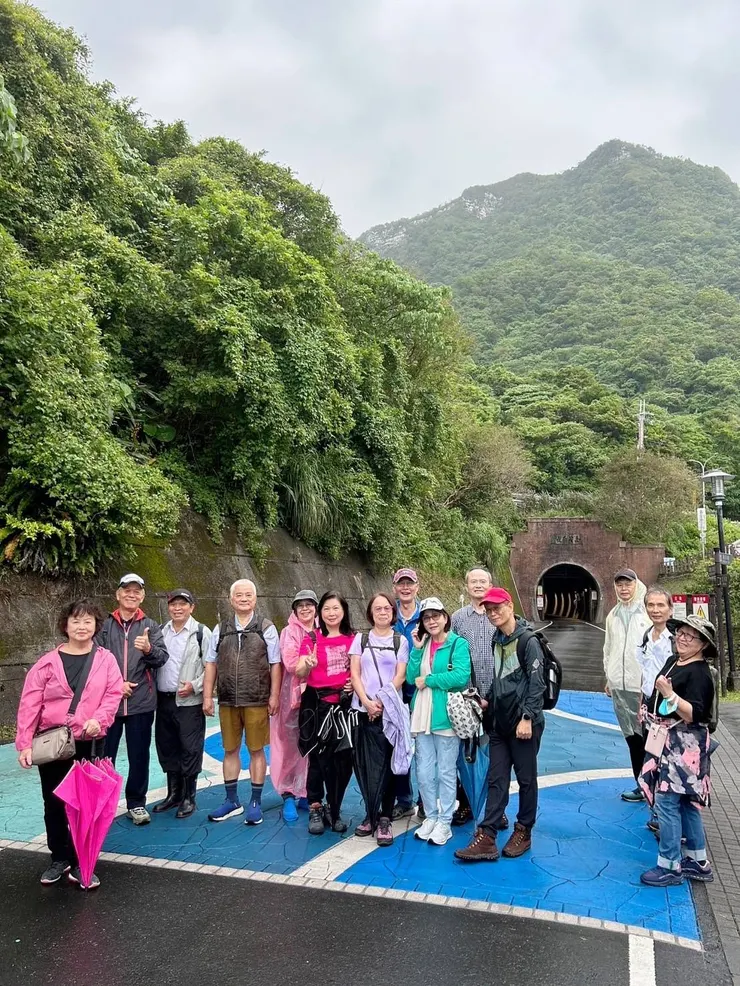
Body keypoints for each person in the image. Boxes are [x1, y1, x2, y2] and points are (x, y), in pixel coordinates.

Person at [16, 599, 123, 888]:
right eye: (76, 621)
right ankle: (59, 857)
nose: (81, 626)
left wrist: (99, 720)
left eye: (87, 621)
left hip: (88, 742)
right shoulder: (47, 662)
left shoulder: (106, 660)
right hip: (53, 743)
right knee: (53, 802)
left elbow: (113, 695)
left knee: (85, 805)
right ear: (66, 625)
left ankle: (81, 860)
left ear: (96, 626)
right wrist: (25, 742)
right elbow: (30, 703)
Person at [455, 587, 545, 862]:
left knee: (526, 780)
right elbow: (499, 678)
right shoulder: (498, 638)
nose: (493, 613)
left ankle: (524, 830)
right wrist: (487, 702)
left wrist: (527, 718)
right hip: (499, 722)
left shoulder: (528, 641)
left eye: (497, 608)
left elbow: (536, 684)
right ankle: (488, 836)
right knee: (496, 779)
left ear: (509, 605)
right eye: (489, 609)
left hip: (523, 724)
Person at [639, 615, 716, 887]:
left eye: (690, 636)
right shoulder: (676, 660)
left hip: (685, 745)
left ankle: (669, 865)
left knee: (668, 802)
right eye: (681, 633)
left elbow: (696, 713)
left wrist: (669, 695)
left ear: (703, 645)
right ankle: (697, 860)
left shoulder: (700, 673)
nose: (682, 638)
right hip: (668, 740)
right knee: (685, 802)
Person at [203, 579, 282, 825]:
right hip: (227, 699)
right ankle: (231, 800)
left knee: (256, 750)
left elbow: (275, 664)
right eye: (239, 595)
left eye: (249, 594)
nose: (244, 598)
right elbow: (211, 663)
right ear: (231, 600)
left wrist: (274, 695)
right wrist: (207, 696)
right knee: (230, 750)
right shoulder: (221, 628)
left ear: (255, 599)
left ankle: (255, 802)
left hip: (257, 698)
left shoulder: (266, 628)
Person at [100, 574, 169, 825]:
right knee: (103, 757)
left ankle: (136, 803)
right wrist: (115, 685)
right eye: (126, 590)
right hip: (108, 705)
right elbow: (93, 661)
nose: (131, 594)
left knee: (139, 755)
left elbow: (162, 658)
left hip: (141, 702)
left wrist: (149, 649)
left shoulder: (150, 625)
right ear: (118, 594)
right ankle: (102, 803)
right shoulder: (104, 626)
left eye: (137, 591)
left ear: (142, 596)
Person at [407, 596, 471, 847]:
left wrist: (431, 680)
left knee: (445, 772)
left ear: (445, 617)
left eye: (436, 616)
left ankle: (445, 820)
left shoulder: (458, 644)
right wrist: (415, 650)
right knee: (423, 772)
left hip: (445, 716)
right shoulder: (422, 645)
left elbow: (461, 676)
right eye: (426, 617)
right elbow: (412, 678)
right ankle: (431, 816)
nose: (431, 621)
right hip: (422, 715)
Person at [350, 592, 410, 846]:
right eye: (378, 609)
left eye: (387, 608)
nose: (383, 612)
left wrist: (382, 701)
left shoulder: (400, 641)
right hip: (363, 711)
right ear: (370, 613)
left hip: (390, 713)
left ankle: (384, 817)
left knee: (389, 766)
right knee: (364, 766)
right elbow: (355, 673)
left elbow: (400, 676)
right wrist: (366, 701)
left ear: (392, 612)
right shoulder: (360, 639)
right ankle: (370, 814)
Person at [296, 591, 355, 835]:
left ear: (344, 612)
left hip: (343, 707)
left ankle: (336, 807)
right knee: (317, 759)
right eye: (327, 609)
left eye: (336, 609)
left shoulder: (354, 639)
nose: (331, 613)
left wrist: (354, 683)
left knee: (342, 761)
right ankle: (315, 806)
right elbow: (299, 672)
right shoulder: (311, 638)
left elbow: (360, 670)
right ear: (320, 612)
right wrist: (306, 664)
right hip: (316, 706)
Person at [153, 589, 211, 819]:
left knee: (190, 748)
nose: (178, 608)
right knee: (167, 747)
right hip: (164, 700)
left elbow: (211, 666)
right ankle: (173, 794)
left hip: (189, 701)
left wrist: (195, 686)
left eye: (183, 604)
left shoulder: (201, 632)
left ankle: (189, 797)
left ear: (192, 607)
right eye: (173, 604)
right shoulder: (160, 631)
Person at [450, 568, 499, 827]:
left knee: (495, 754)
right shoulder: (457, 618)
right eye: (474, 581)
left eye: (483, 581)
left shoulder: (499, 614)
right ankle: (466, 803)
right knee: (465, 753)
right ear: (466, 585)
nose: (478, 585)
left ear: (490, 584)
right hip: (466, 698)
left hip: (496, 697)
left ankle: (495, 808)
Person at [603, 569, 651, 803]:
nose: (623, 588)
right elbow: (608, 648)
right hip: (619, 685)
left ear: (636, 584)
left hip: (641, 687)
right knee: (631, 737)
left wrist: (649, 683)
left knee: (647, 737)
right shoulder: (612, 614)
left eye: (628, 584)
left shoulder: (647, 612)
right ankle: (640, 784)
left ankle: (652, 785)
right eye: (619, 584)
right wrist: (609, 677)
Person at [271, 589, 318, 822]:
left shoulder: (322, 631)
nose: (305, 609)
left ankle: (307, 791)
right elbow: (290, 664)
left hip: (319, 696)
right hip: (293, 698)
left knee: (313, 745)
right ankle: (288, 792)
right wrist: (307, 664)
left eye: (310, 604)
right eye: (301, 605)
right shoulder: (289, 632)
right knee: (291, 746)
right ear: (294, 609)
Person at [637, 586, 675, 834]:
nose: (655, 610)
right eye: (651, 605)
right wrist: (641, 703)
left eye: (661, 605)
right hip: (650, 708)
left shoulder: (676, 638)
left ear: (670, 609)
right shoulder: (646, 636)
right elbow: (646, 674)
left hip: (669, 712)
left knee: (669, 766)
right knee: (652, 761)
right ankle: (657, 812)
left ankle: (670, 821)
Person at [392, 567, 422, 820]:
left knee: (425, 747)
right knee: (398, 746)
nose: (405, 588)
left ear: (416, 587)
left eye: (409, 583)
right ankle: (404, 800)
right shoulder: (387, 614)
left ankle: (425, 799)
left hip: (422, 690)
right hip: (395, 690)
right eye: (400, 584)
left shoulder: (429, 615)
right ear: (395, 588)